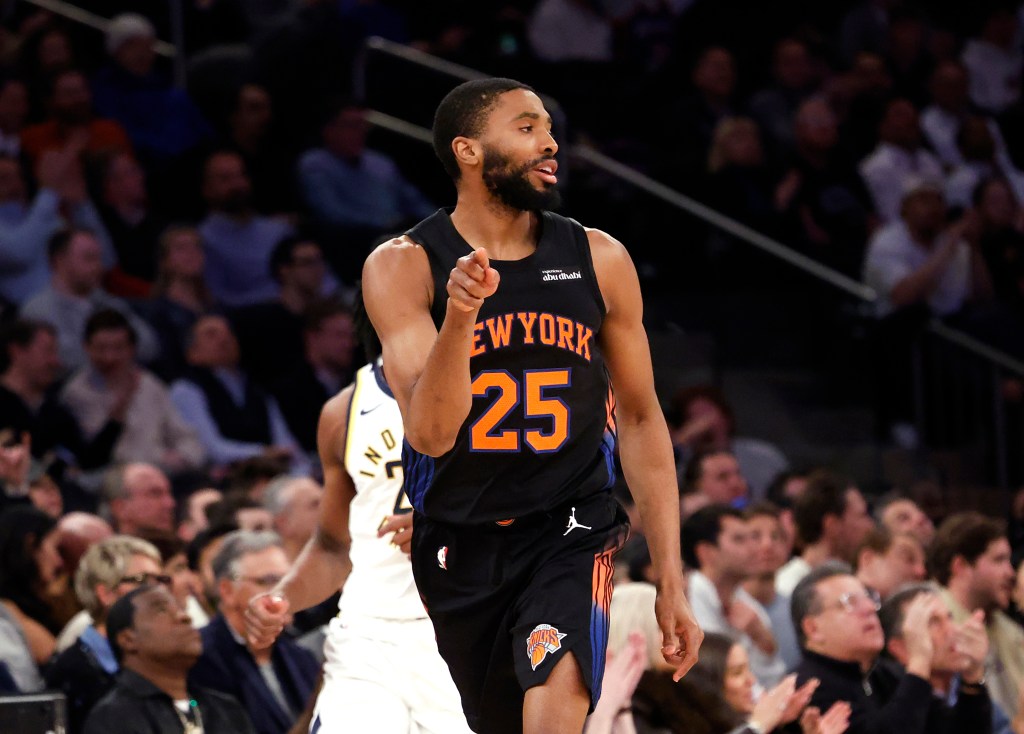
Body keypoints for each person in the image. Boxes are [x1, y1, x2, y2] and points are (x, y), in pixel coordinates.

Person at [359, 77, 700, 734]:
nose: (549, 143)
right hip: (459, 536)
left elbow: (640, 417)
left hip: (572, 527)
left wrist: (671, 579)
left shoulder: (599, 257)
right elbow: (430, 434)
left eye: (547, 127)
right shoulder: (404, 265)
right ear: (467, 150)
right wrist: (461, 314)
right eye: (525, 127)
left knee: (555, 704)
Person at [245, 300, 472, 732]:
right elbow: (333, 545)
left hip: (460, 629)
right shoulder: (344, 411)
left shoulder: (495, 390)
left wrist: (449, 527)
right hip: (368, 633)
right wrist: (283, 598)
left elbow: (536, 513)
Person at [188, 531, 319, 734]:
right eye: (268, 581)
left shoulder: (300, 656)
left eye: (288, 581)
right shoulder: (198, 658)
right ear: (227, 591)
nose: (284, 592)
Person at [82, 584, 255, 734]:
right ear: (128, 639)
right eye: (161, 610)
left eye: (180, 608)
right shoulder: (112, 719)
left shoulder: (225, 708)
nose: (185, 617)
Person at [60, 309, 205, 476]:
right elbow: (103, 457)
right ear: (86, 347)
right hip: (112, 479)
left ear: (131, 349)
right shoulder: (76, 393)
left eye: (118, 348)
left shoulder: (149, 384)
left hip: (164, 472)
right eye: (101, 348)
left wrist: (183, 456)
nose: (110, 357)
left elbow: (185, 436)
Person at [45, 534, 165, 734]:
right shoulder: (71, 675)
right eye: (143, 581)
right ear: (106, 593)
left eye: (162, 580)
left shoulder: (160, 661)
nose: (160, 592)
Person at [927, 511, 1024, 719]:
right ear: (960, 566)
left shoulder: (1008, 629)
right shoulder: (933, 629)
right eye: (999, 560)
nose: (1011, 573)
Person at [682, 505, 785, 688]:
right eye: (739, 540)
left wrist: (762, 639)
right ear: (706, 552)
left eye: (751, 538)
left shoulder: (751, 608)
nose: (754, 548)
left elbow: (772, 682)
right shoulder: (684, 600)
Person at [876, 583, 992, 734]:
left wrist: (973, 673)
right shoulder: (883, 697)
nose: (952, 630)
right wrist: (919, 663)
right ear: (900, 648)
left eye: (950, 618)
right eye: (933, 622)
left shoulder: (954, 687)